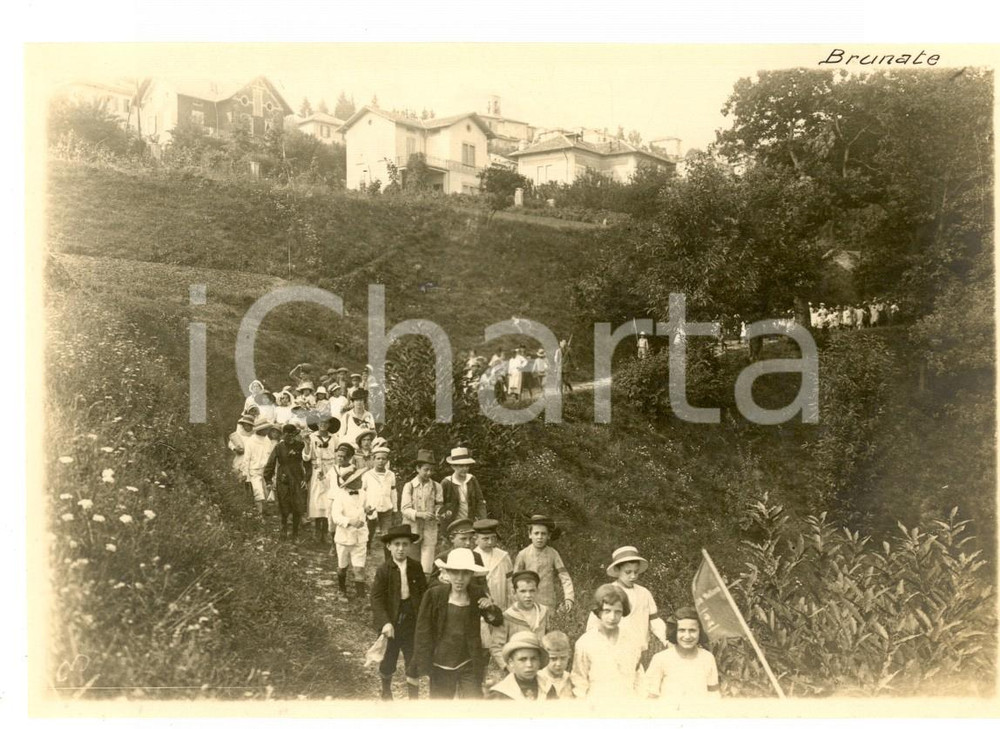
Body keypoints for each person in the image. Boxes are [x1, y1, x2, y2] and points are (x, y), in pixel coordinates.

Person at [413, 548, 503, 699]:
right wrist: (421, 665)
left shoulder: (476, 594)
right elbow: (423, 631)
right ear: (447, 572)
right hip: (440, 663)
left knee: (474, 704)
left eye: (465, 573)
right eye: (455, 572)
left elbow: (496, 620)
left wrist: (490, 608)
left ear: (472, 574)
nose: (460, 578)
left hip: (468, 661)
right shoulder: (434, 595)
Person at [371, 525, 427, 701]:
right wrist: (385, 622)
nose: (401, 549)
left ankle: (413, 699)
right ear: (389, 546)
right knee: (388, 660)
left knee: (413, 660)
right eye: (396, 544)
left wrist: (423, 620)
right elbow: (376, 599)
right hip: (392, 620)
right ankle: (386, 691)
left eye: (405, 544)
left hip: (412, 618)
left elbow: (424, 593)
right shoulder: (384, 570)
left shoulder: (416, 567)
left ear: (410, 546)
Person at [585, 546, 666, 659]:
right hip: (612, 651)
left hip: (639, 651)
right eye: (628, 572)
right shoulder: (608, 591)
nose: (633, 576)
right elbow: (593, 624)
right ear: (617, 571)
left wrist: (666, 639)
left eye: (636, 572)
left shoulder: (644, 593)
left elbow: (655, 620)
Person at [571, 584, 641, 699]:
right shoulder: (586, 642)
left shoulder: (632, 641)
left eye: (617, 612)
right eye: (607, 611)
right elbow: (579, 681)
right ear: (598, 611)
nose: (612, 617)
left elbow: (639, 677)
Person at [645, 607, 721, 701]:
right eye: (682, 630)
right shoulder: (661, 659)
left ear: (700, 631)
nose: (687, 636)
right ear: (674, 631)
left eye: (692, 630)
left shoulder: (707, 658)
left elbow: (713, 694)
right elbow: (651, 696)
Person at [329, 453, 374, 603]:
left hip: (360, 536)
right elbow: (336, 517)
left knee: (359, 567)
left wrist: (368, 511)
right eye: (357, 480)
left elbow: (365, 508)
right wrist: (349, 521)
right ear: (349, 483)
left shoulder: (363, 493)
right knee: (342, 565)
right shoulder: (340, 496)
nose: (361, 481)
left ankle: (360, 596)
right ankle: (341, 589)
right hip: (344, 537)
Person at [512, 515, 575, 613]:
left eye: (543, 534)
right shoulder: (523, 554)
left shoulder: (553, 554)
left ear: (549, 536)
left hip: (547, 603)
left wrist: (569, 598)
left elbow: (564, 577)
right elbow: (514, 580)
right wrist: (515, 600)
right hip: (527, 601)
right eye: (536, 533)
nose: (539, 537)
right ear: (530, 534)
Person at [489, 570, 549, 670]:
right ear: (514, 592)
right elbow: (496, 647)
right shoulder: (507, 616)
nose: (528, 595)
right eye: (523, 591)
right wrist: (507, 667)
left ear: (537, 590)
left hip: (538, 667)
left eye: (532, 590)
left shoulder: (543, 611)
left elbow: (547, 637)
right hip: (517, 669)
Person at [400, 449, 444, 576]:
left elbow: (439, 505)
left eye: (431, 470)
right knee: (412, 562)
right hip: (413, 528)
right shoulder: (409, 486)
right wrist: (419, 514)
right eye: (425, 469)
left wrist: (438, 513)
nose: (429, 473)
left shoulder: (436, 486)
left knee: (427, 564)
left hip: (430, 528)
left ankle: (425, 590)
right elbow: (405, 509)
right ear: (417, 468)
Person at [263, 424, 308, 541]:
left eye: (292, 435)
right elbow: (271, 463)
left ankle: (295, 533)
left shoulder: (301, 445)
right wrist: (268, 479)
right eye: (287, 435)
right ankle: (283, 529)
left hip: (297, 477)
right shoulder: (279, 447)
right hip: (283, 477)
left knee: (297, 505)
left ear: (295, 435)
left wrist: (305, 478)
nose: (290, 438)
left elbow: (307, 462)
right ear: (283, 435)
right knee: (284, 504)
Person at [303, 415, 340, 546]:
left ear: (329, 425)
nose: (323, 425)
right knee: (317, 500)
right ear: (317, 424)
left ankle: (327, 532)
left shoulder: (334, 438)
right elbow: (307, 457)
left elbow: (337, 456)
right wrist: (307, 444)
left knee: (329, 500)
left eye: (326, 423)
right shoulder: (312, 437)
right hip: (317, 468)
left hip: (330, 469)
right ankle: (317, 532)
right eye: (320, 422)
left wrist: (337, 471)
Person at [486, 631, 557, 700]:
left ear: (539, 661)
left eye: (533, 659)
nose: (529, 665)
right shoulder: (500, 694)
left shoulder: (548, 689)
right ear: (511, 662)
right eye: (522, 659)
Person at [363, 442, 397, 549]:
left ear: (387, 461)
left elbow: (393, 492)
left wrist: (395, 509)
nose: (381, 461)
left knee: (386, 532)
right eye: (378, 458)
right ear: (373, 459)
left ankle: (387, 551)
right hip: (372, 507)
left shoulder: (390, 474)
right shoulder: (367, 475)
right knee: (369, 530)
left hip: (387, 506)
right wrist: (364, 506)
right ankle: (367, 546)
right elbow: (362, 493)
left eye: (383, 459)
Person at [440, 447, 488, 524]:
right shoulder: (446, 483)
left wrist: (483, 520)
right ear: (453, 466)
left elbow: (480, 501)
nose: (465, 468)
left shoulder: (472, 479)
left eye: (467, 466)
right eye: (461, 466)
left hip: (471, 522)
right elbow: (440, 505)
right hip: (453, 524)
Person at [474, 519, 513, 611]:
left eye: (493, 538)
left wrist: (511, 606)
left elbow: (510, 583)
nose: (490, 542)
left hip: (501, 604)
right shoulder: (472, 557)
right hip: (480, 606)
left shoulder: (503, 556)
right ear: (476, 539)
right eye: (485, 539)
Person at [241, 418, 277, 517]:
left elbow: (270, 456)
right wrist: (246, 474)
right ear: (259, 430)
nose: (267, 431)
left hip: (266, 470)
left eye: (267, 429)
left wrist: (272, 472)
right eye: (265, 429)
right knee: (258, 492)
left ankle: (266, 512)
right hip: (254, 470)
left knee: (267, 492)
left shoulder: (267, 440)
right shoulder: (250, 441)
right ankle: (259, 515)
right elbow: (246, 459)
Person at [537, 631, 574, 699]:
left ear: (569, 654)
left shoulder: (572, 681)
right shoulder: (537, 680)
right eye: (553, 659)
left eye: (563, 658)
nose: (558, 664)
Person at [228, 414, 254, 479]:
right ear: (243, 425)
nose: (247, 427)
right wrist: (235, 448)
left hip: (251, 458)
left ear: (252, 426)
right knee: (238, 474)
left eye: (249, 425)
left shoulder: (254, 435)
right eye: (245, 425)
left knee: (250, 476)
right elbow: (230, 443)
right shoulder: (239, 434)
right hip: (240, 457)